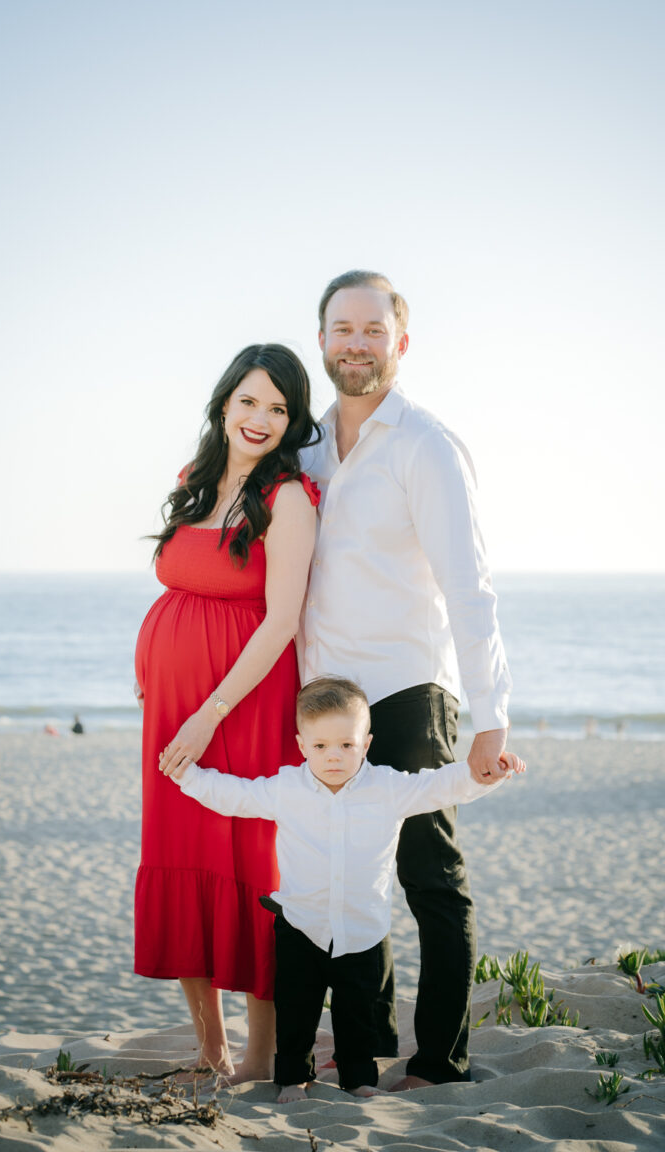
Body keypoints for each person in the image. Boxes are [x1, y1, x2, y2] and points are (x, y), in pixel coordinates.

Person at [298, 270, 513, 1089]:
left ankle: (443, 1059)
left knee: (431, 880)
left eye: (373, 330)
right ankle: (366, 1041)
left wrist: (491, 715)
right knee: (346, 880)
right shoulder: (307, 445)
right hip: (326, 701)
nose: (356, 344)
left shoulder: (425, 444)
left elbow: (471, 585)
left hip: (409, 691)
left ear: (401, 343)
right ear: (322, 339)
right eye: (342, 329)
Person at [160, 676, 525, 1101]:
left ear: (366, 743)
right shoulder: (286, 789)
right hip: (301, 926)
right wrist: (189, 777)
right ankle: (294, 1078)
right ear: (302, 745)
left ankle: (358, 1079)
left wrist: (489, 774)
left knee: (358, 1014)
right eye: (320, 747)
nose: (333, 756)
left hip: (362, 932)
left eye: (346, 746)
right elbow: (235, 795)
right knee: (297, 1012)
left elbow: (440, 786)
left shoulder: (388, 789)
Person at [134, 344, 321, 1083]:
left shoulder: (290, 499)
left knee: (248, 862)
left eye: (278, 408)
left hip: (240, 706)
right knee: (181, 856)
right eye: (249, 401)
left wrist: (208, 716)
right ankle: (208, 1048)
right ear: (223, 404)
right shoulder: (193, 481)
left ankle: (259, 1054)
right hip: (173, 707)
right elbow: (177, 588)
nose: (260, 418)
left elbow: (280, 622)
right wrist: (148, 663)